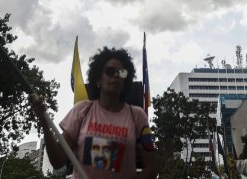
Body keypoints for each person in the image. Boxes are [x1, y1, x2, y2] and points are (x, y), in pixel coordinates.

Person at [34, 46, 157, 179]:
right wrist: (44, 121)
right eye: (110, 71)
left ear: (126, 80)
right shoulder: (81, 111)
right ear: (98, 79)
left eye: (122, 72)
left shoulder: (137, 116)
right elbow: (58, 161)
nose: (116, 75)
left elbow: (151, 168)